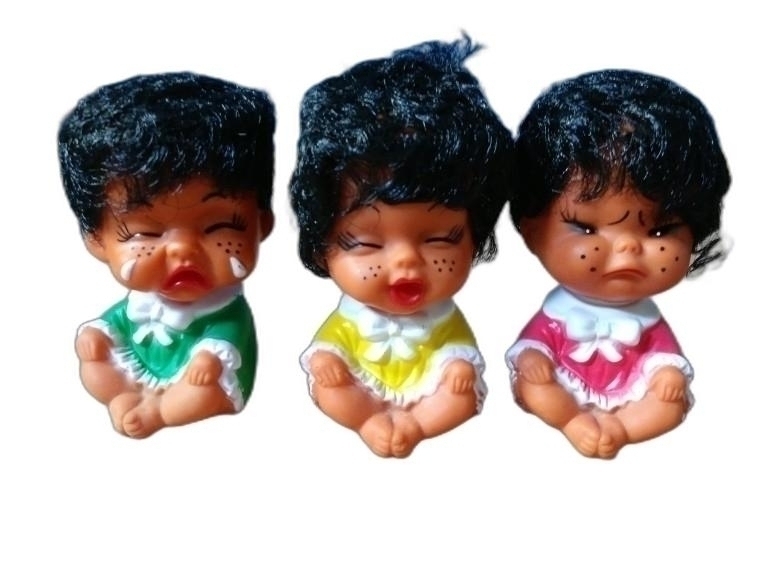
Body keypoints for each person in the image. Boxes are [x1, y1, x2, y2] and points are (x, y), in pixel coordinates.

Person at [290, 36, 514, 457]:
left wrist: (459, 367)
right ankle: (367, 420)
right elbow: (333, 341)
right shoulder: (351, 318)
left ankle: (416, 424)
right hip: (363, 379)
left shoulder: (443, 317)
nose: (406, 262)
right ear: (322, 244)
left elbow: (455, 346)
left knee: (460, 395)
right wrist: (327, 360)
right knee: (329, 385)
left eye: (440, 239)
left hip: (427, 382)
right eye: (364, 243)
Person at [505, 69, 731, 458]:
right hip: (565, 383)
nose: (627, 248)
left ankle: (622, 428)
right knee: (534, 385)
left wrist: (667, 374)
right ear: (531, 228)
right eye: (586, 228)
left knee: (671, 402)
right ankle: (573, 422)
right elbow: (535, 344)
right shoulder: (557, 314)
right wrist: (532, 357)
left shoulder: (648, 321)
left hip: (631, 392)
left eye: (660, 231)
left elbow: (661, 356)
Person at [58, 72, 275, 438]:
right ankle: (123, 395)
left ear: (261, 224)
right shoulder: (139, 303)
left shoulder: (225, 311)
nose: (182, 251)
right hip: (141, 366)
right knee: (94, 360)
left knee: (205, 390)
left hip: (196, 378)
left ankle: (159, 412)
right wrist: (99, 336)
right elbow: (119, 320)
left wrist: (208, 359)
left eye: (219, 226)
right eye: (145, 233)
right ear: (96, 239)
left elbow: (228, 334)